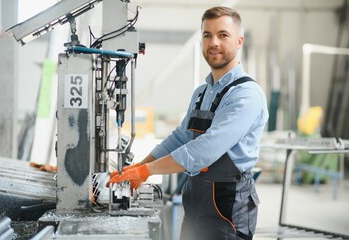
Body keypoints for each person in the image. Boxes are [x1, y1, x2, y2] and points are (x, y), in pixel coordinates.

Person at [107, 6, 269, 240]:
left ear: (239, 41)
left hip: (227, 203)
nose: (213, 42)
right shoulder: (202, 92)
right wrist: (139, 167)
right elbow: (181, 137)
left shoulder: (247, 94)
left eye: (223, 35)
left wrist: (146, 171)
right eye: (207, 35)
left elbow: (206, 149)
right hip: (196, 198)